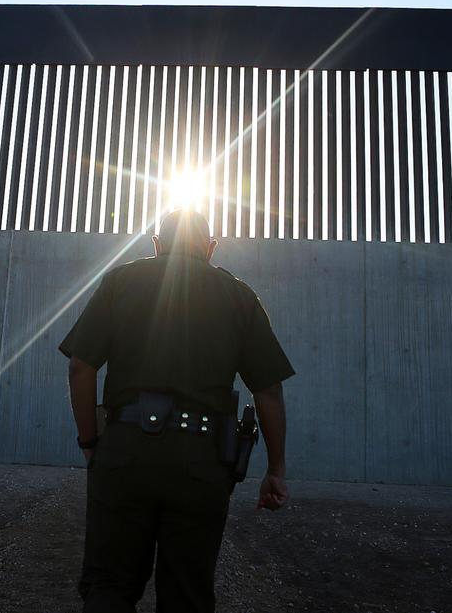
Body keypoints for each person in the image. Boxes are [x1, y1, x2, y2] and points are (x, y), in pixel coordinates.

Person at [60, 209, 294, 613]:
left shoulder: (120, 282)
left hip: (124, 451)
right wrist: (275, 469)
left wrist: (90, 443)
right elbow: (268, 392)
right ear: (210, 248)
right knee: (187, 595)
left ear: (156, 244)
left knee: (109, 587)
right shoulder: (239, 296)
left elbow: (81, 367)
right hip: (201, 462)